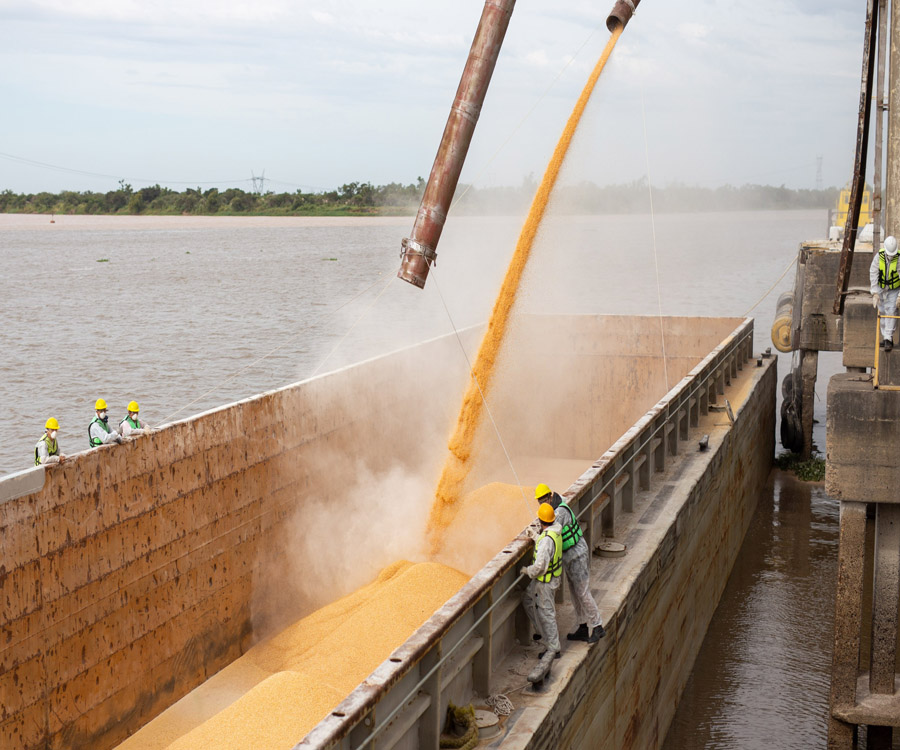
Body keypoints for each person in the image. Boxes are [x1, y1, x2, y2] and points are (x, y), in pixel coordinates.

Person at [535, 483, 606, 643]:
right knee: (574, 593)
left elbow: (549, 529)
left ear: (550, 496)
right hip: (569, 556)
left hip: (577, 554)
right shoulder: (556, 506)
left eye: (544, 499)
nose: (543, 503)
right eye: (540, 501)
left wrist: (536, 534)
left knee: (582, 591)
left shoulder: (559, 512)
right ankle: (582, 626)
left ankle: (598, 626)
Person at [520, 502, 563, 660]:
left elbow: (540, 566)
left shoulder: (546, 540)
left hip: (545, 582)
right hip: (548, 579)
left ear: (540, 520)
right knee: (527, 598)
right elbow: (546, 543)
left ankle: (553, 647)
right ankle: (540, 631)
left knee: (547, 614)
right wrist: (535, 536)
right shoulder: (554, 531)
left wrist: (527, 570)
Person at [870, 235, 900, 352]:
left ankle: (889, 338)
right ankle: (885, 336)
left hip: (894, 289)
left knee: (891, 311)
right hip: (881, 288)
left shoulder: (899, 258)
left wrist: (899, 297)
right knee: (882, 311)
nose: (891, 256)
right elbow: (873, 272)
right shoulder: (879, 257)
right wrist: (875, 292)